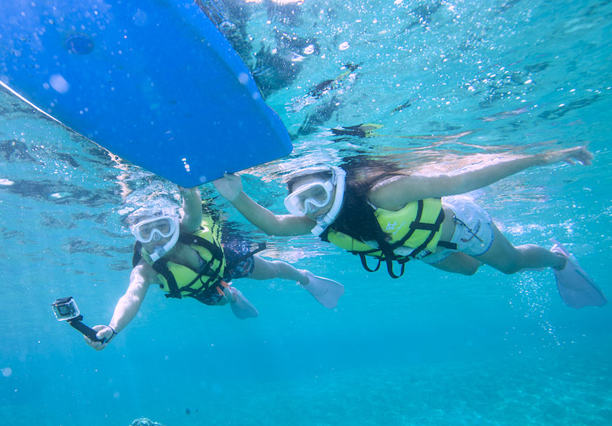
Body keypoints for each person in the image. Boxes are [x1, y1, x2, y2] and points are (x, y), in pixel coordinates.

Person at [213, 146, 606, 309]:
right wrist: (234, 195)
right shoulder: (318, 224)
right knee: (469, 269)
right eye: (302, 203)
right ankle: (512, 257)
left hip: (458, 226)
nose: (313, 208)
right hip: (422, 247)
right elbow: (274, 227)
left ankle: (558, 259)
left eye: (317, 194)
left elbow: (464, 179)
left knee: (510, 265)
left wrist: (540, 159)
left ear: (336, 184)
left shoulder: (385, 194)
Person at [84, 186, 345, 350]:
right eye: (146, 232)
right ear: (137, 235)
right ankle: (233, 296)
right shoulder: (146, 269)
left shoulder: (190, 225)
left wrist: (186, 186)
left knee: (271, 272)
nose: (158, 238)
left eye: (163, 226)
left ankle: (305, 279)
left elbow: (192, 203)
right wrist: (113, 328)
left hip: (225, 259)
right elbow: (131, 296)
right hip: (201, 287)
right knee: (220, 301)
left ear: (174, 223)